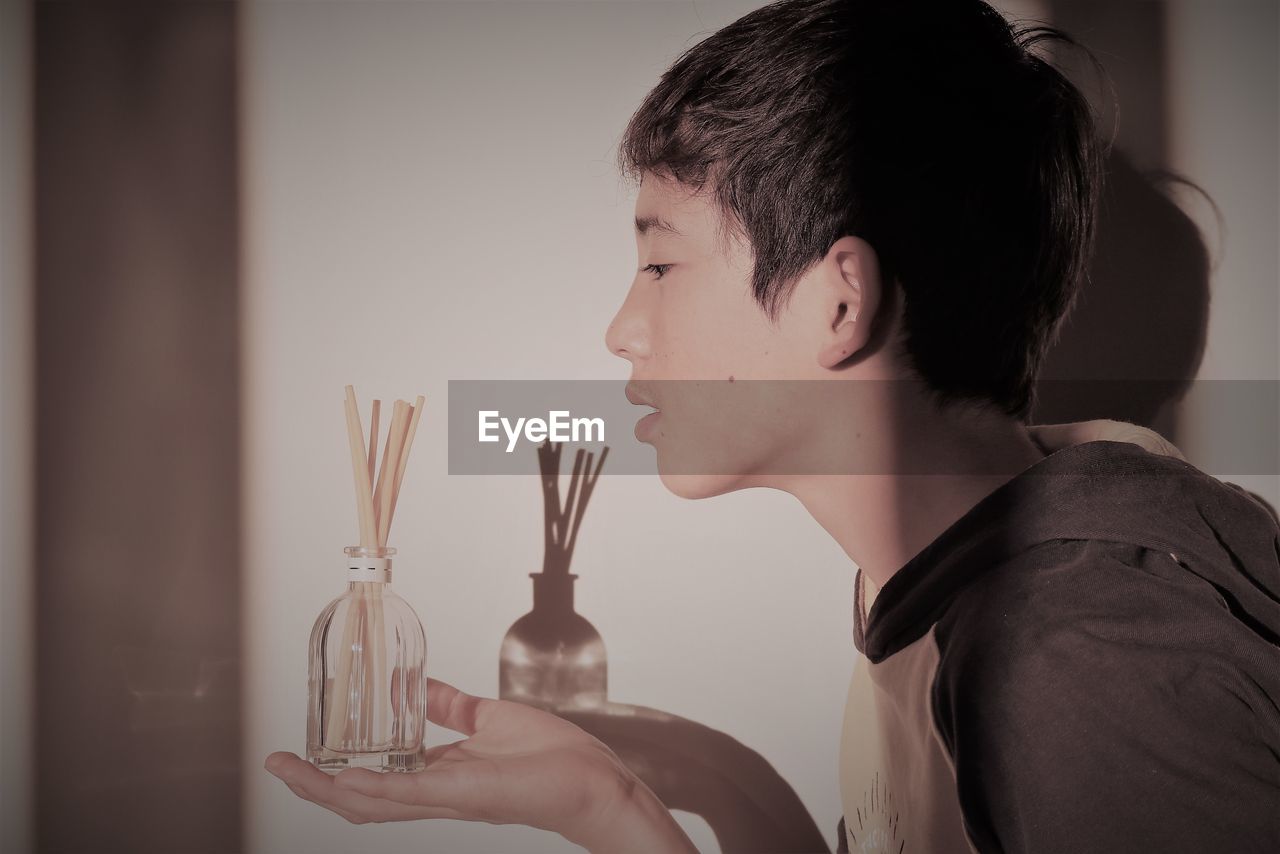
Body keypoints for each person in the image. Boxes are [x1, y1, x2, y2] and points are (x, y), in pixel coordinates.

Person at [267, 0, 1280, 851]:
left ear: (839, 303)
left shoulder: (1077, 660)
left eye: (659, 262)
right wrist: (624, 798)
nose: (621, 329)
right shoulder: (939, 586)